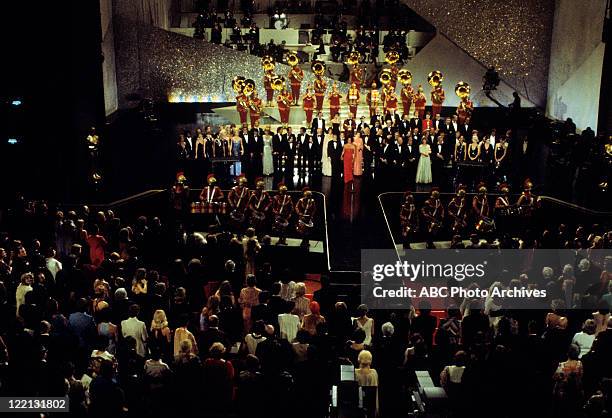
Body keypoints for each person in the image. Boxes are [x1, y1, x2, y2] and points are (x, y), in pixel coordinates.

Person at [354, 350, 379, 416]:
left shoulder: (355, 372)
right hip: (371, 405)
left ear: (359, 359)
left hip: (358, 404)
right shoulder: (374, 373)